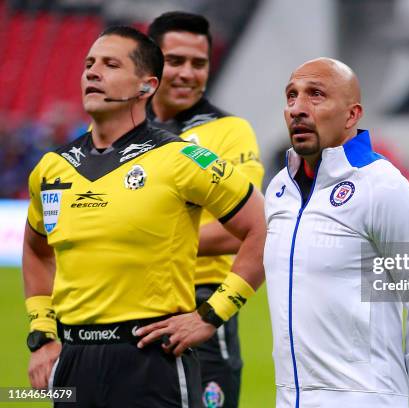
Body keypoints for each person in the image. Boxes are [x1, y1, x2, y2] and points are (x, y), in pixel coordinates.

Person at [23, 26, 265, 408]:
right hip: (72, 361)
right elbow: (37, 251)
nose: (92, 72)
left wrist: (211, 314)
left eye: (110, 64)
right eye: (89, 64)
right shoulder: (51, 168)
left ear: (146, 86)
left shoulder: (182, 159)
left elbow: (262, 228)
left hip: (152, 359)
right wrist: (42, 334)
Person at [264, 57, 409, 408]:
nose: (297, 109)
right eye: (291, 96)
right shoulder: (278, 189)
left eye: (315, 95)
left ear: (352, 115)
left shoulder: (383, 187)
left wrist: (403, 399)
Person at [145, 12, 264, 407]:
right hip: (129, 305)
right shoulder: (120, 134)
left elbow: (242, 229)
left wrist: (140, 245)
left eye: (199, 63)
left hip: (202, 305)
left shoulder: (229, 131)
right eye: (175, 60)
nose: (187, 73)